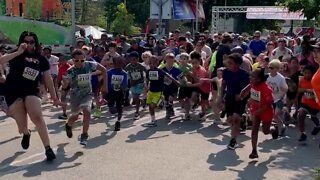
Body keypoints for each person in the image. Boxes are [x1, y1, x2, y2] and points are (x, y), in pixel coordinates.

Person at [0, 31, 60, 161]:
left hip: (31, 90)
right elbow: (1, 60)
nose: (28, 44)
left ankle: (48, 148)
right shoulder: (15, 54)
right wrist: (18, 52)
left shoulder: (41, 59)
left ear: (35, 43)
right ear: (21, 42)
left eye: (31, 42)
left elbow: (48, 78)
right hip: (13, 90)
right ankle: (27, 134)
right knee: (22, 125)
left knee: (37, 116)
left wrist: (54, 97)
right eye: (25, 42)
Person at [63, 49, 107, 146]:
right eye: (76, 61)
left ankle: (84, 135)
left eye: (82, 60)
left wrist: (105, 85)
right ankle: (68, 125)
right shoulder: (70, 71)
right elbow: (65, 87)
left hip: (87, 94)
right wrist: (65, 84)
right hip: (75, 96)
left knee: (87, 112)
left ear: (85, 59)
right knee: (75, 116)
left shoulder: (90, 64)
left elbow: (103, 69)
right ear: (73, 60)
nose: (79, 63)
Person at [240, 68, 274, 159]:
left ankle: (273, 130)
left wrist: (260, 111)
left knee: (265, 131)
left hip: (266, 112)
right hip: (255, 110)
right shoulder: (252, 83)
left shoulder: (266, 88)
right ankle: (254, 151)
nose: (250, 77)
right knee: (254, 130)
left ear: (259, 79)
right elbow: (247, 88)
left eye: (252, 76)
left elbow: (269, 103)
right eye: (250, 75)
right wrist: (242, 94)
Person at [219, 53, 250, 149]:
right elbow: (223, 84)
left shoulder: (245, 75)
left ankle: (233, 140)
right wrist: (221, 97)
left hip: (240, 99)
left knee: (236, 119)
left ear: (237, 64)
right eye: (228, 63)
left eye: (231, 63)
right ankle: (243, 119)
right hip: (229, 97)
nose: (228, 65)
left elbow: (249, 89)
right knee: (230, 120)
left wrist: (241, 96)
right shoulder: (226, 72)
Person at [297, 65, 320, 142]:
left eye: (309, 73)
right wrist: (306, 90)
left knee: (313, 117)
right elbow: (299, 90)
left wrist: (312, 95)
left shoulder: (316, 81)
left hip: (316, 105)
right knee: (301, 114)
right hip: (305, 102)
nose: (306, 74)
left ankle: (318, 125)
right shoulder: (302, 80)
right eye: (305, 73)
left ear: (313, 74)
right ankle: (302, 133)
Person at [267, 59, 288, 139]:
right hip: (270, 99)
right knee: (273, 115)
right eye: (269, 67)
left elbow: (285, 89)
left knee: (275, 114)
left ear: (277, 68)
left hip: (279, 99)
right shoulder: (267, 76)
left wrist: (281, 98)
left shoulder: (281, 78)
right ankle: (281, 126)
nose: (270, 69)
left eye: (272, 68)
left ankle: (281, 126)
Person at [106, 57, 128, 131]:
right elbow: (105, 82)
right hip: (111, 92)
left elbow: (125, 85)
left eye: (120, 63)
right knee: (112, 110)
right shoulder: (109, 72)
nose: (118, 65)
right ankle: (114, 110)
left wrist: (121, 86)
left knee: (120, 108)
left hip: (120, 92)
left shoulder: (124, 73)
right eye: (117, 63)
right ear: (114, 64)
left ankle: (118, 122)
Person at [125, 51, 146, 120]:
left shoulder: (140, 66)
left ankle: (137, 112)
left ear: (137, 59)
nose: (132, 61)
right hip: (132, 84)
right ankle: (143, 102)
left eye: (134, 59)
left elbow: (147, 72)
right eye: (131, 60)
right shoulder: (128, 67)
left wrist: (146, 82)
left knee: (137, 99)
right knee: (135, 98)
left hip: (140, 83)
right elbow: (125, 75)